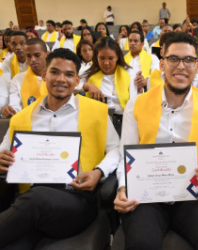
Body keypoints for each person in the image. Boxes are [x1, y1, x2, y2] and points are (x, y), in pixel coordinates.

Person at [113, 32, 198, 250]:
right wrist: (123, 187)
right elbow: (126, 156)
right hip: (145, 194)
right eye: (173, 59)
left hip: (190, 193)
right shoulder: (137, 103)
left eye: (189, 59)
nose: (181, 66)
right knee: (142, 243)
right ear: (161, 64)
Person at [0, 48, 120, 248]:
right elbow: (4, 150)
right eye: (55, 72)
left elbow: (116, 149)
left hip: (76, 201)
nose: (61, 79)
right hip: (31, 202)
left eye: (69, 74)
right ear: (44, 74)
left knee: (37, 199)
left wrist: (99, 172)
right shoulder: (22, 117)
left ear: (76, 81)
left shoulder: (96, 111)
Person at [83, 37, 131, 136]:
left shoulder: (128, 73)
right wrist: (87, 86)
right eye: (102, 58)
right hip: (99, 123)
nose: (106, 63)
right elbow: (73, 85)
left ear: (117, 56)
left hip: (123, 123)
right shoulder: (90, 76)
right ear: (96, 57)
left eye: (111, 58)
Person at [1, 38, 48, 118]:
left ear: (47, 54)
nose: (32, 60)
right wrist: (9, 110)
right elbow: (15, 106)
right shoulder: (17, 79)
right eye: (28, 56)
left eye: (37, 55)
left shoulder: (57, 78)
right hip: (27, 122)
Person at [124, 30, 159, 97]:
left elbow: (157, 77)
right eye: (130, 41)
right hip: (126, 96)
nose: (132, 43)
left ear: (142, 44)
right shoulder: (123, 60)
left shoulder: (152, 58)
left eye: (136, 41)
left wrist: (146, 81)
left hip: (145, 95)